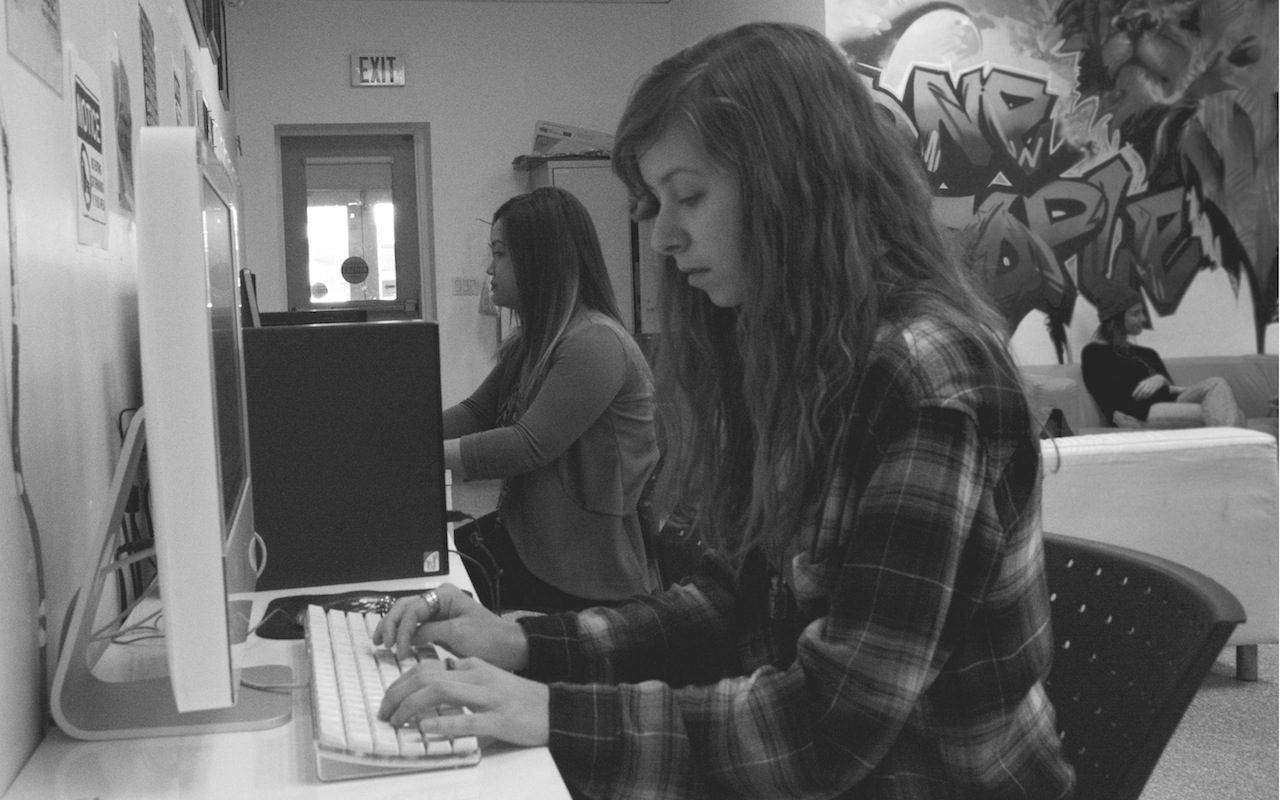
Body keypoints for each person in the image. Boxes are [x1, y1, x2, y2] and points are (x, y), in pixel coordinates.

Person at [375, 22, 1075, 799]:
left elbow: (828, 728)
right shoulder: (803, 359)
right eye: (656, 202)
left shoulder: (929, 378)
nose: (665, 237)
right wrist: (523, 643)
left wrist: (550, 713)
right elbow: (733, 600)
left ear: (798, 187)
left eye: (691, 196)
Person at [444, 185, 659, 612]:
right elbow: (477, 412)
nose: (491, 268)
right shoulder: (535, 339)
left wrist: (409, 457)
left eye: (501, 253)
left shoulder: (594, 342)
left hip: (584, 574)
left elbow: (526, 446)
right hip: (534, 542)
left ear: (540, 260)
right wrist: (397, 438)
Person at [1081, 284, 1246, 429]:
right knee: (1233, 415)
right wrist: (1128, 421)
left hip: (1170, 402)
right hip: (1140, 413)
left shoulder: (1147, 353)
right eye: (1135, 314)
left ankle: (1230, 451)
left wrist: (1161, 379)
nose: (1143, 319)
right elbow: (1109, 397)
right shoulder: (1094, 353)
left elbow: (1170, 390)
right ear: (1116, 319)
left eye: (1142, 313)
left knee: (1217, 383)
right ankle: (1235, 453)